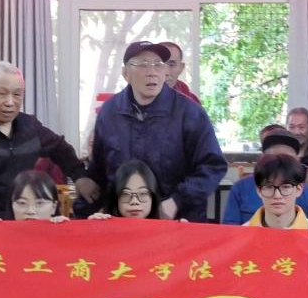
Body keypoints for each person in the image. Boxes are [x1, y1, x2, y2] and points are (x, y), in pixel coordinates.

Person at [86, 41, 226, 222]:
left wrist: (177, 200)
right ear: (126, 73)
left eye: (158, 65)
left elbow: (213, 165)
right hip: (124, 221)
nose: (152, 72)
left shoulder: (189, 112)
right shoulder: (110, 111)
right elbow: (99, 169)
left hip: (178, 220)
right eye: (143, 65)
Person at [0, 62, 93, 220]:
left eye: (17, 94)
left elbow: (60, 148)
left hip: (25, 218)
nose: (10, 102)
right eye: (2, 93)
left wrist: (80, 176)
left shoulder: (30, 126)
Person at [222, 128, 308, 224]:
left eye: (287, 160)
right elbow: (230, 229)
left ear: (297, 161)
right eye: (274, 158)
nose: (279, 164)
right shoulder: (241, 189)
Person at [245, 154, 308, 229]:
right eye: (269, 187)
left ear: (299, 189)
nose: (277, 195)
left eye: (285, 187)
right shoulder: (241, 234)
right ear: (259, 191)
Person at [88, 160, 163, 220]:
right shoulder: (104, 226)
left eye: (142, 194)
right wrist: (93, 227)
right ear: (115, 198)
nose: (134, 201)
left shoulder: (166, 231)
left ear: (153, 198)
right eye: (125, 194)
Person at [161, 40, 201, 105]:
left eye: (171, 65)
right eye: (159, 65)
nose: (166, 72)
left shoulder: (191, 102)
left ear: (181, 68)